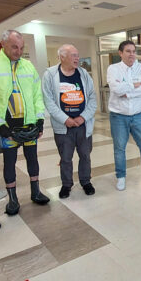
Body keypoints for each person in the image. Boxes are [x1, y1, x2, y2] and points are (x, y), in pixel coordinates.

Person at [0, 30, 49, 215]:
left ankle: (36, 192)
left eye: (21, 48)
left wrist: (40, 120)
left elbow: (37, 95)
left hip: (29, 124)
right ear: (3, 44)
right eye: (14, 47)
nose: (18, 51)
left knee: (33, 159)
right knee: (9, 162)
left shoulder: (28, 66)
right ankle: (12, 199)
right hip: (8, 127)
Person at [42, 44, 97, 199]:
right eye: (73, 55)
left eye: (77, 55)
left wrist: (83, 117)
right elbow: (49, 101)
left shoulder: (83, 74)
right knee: (65, 158)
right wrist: (65, 119)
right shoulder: (50, 75)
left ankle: (86, 182)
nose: (77, 58)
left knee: (85, 155)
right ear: (62, 57)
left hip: (83, 125)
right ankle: (66, 185)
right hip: (63, 127)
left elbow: (92, 97)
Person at [107, 40, 141, 190]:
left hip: (138, 115)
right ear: (120, 53)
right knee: (119, 148)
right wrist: (133, 86)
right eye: (128, 51)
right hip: (118, 116)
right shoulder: (113, 69)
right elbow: (116, 89)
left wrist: (127, 92)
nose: (132, 54)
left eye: (134, 51)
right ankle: (121, 177)